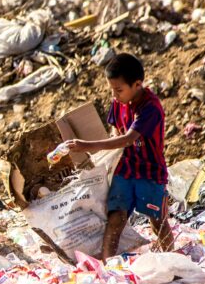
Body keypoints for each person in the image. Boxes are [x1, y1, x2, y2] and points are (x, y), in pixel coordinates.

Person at [55, 52, 173, 259]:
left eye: (119, 90)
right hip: (125, 169)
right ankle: (109, 265)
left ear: (137, 85)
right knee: (116, 217)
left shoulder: (150, 108)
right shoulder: (118, 102)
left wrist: (87, 145)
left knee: (158, 222)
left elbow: (127, 139)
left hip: (149, 171)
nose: (115, 95)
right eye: (112, 90)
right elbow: (115, 132)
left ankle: (174, 261)